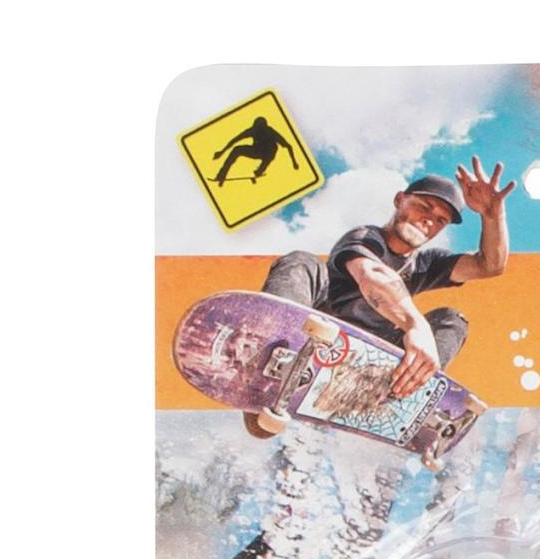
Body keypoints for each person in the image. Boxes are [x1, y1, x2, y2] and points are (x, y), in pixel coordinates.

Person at [259, 156, 513, 408]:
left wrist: (493, 216)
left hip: (371, 365)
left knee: (452, 319)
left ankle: (402, 395)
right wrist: (416, 325)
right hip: (317, 336)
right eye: (424, 207)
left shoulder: (426, 265)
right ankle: (277, 349)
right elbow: (372, 276)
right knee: (301, 261)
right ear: (400, 200)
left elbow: (489, 266)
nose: (429, 220)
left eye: (440, 220)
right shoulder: (366, 238)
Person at [211, 117, 299, 185]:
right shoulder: (253, 130)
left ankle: (260, 169)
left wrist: (294, 162)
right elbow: (235, 139)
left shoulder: (271, 132)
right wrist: (222, 151)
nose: (260, 131)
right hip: (256, 150)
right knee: (236, 149)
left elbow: (288, 146)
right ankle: (222, 174)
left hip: (267, 153)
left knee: (272, 149)